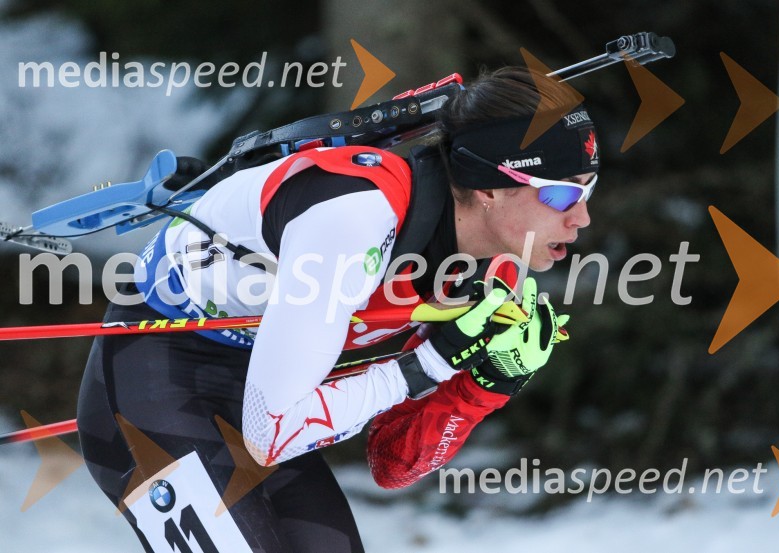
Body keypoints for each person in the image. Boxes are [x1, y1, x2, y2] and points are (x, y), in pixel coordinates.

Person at [76, 66, 598, 552]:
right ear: (488, 187)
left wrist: (485, 385)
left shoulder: (493, 275)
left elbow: (393, 463)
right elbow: (273, 430)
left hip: (260, 383)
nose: (582, 218)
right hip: (156, 367)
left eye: (588, 189)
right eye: (558, 195)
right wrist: (431, 364)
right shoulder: (355, 219)